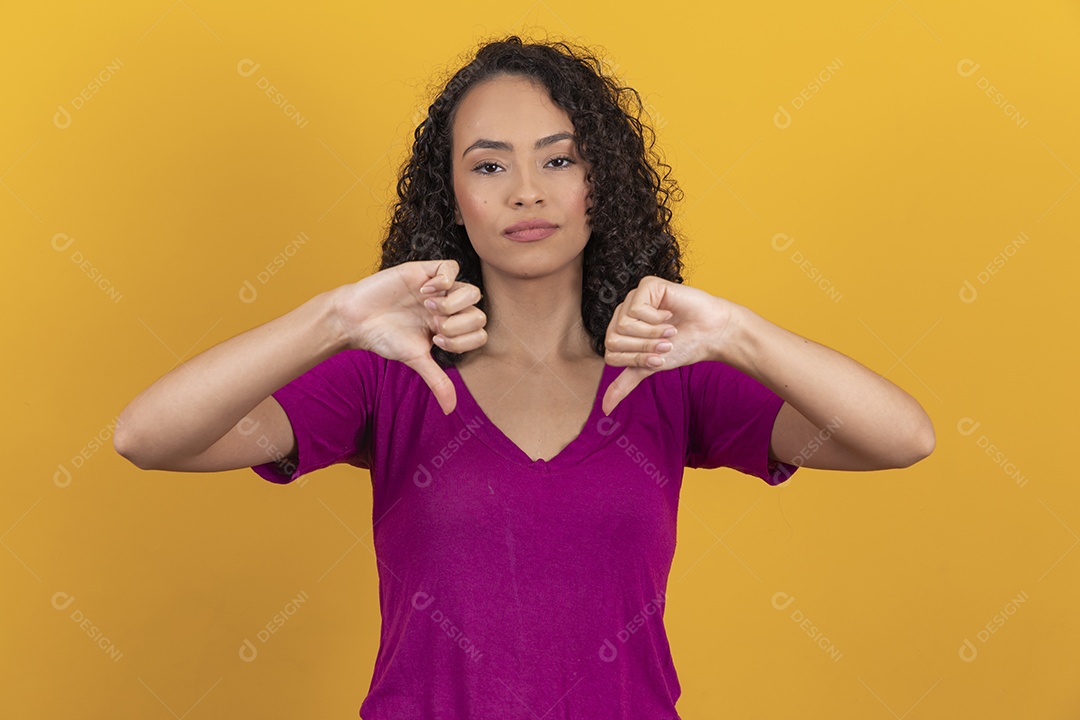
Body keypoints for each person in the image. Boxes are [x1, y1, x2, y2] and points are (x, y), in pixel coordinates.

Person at [114, 35, 935, 719]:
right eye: (490, 166)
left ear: (598, 184)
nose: (529, 193)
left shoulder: (665, 375)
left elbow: (903, 439)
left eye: (560, 159)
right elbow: (146, 437)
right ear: (454, 197)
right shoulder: (393, 376)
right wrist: (333, 319)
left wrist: (738, 332)